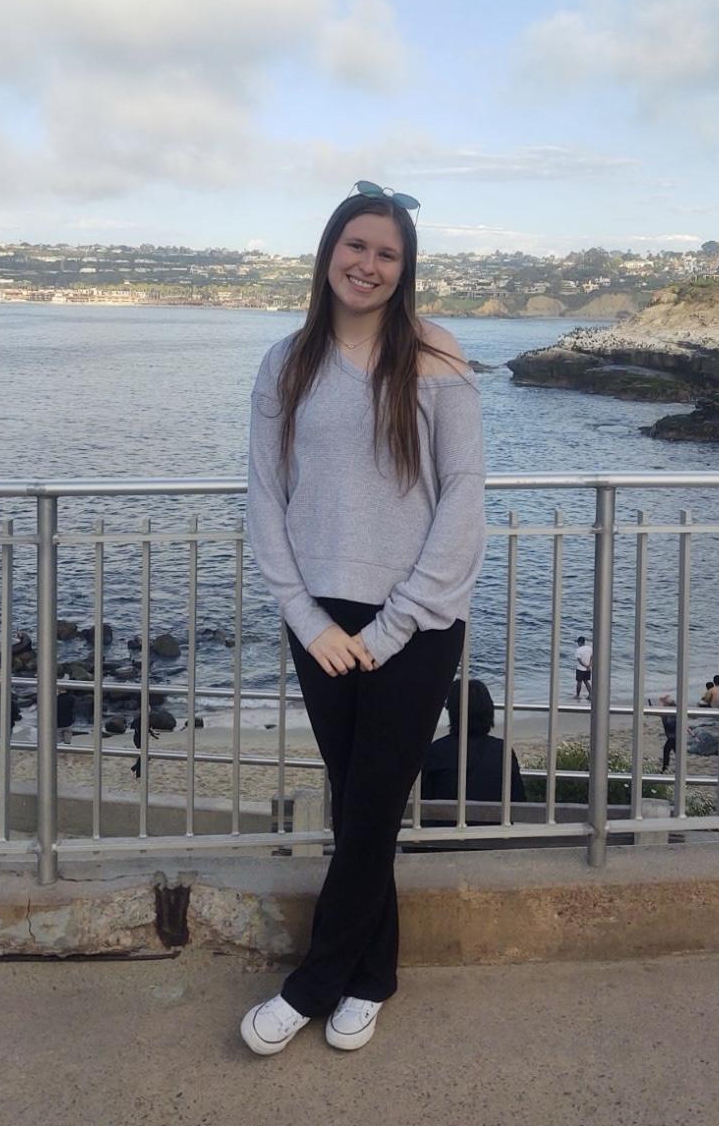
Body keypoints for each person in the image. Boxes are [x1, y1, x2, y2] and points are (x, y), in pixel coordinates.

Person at [242, 181, 485, 1056]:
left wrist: (393, 627)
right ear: (329, 251)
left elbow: (463, 498)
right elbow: (265, 497)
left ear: (405, 268)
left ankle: (312, 983)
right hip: (321, 621)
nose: (369, 264)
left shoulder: (435, 356)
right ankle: (374, 973)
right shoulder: (287, 360)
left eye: (388, 253)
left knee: (374, 802)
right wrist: (305, 618)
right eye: (357, 246)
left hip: (416, 623)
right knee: (357, 803)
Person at [420, 679, 525, 818]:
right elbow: (518, 800)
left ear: (453, 712)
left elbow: (425, 801)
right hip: (493, 833)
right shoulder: (502, 751)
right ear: (488, 710)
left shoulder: (436, 751)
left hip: (444, 831)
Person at [574, 635, 592, 700]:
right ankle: (590, 694)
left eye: (578, 642)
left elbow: (579, 660)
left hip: (580, 668)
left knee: (579, 682)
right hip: (588, 668)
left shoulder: (578, 650)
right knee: (586, 681)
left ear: (580, 642)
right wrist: (589, 665)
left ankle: (577, 695)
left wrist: (585, 666)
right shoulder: (589, 648)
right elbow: (592, 657)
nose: (578, 644)